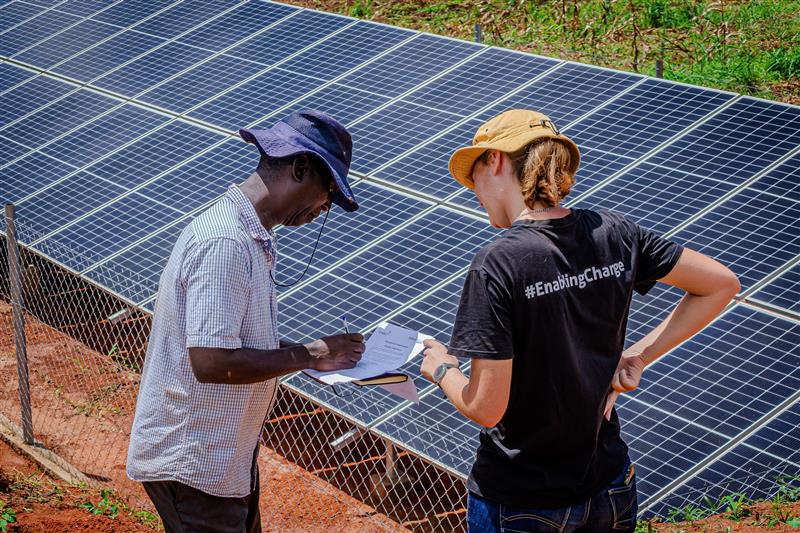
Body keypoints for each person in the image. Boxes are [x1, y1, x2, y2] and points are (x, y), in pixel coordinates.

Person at [420, 109, 740, 532]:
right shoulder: (615, 232)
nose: (472, 191)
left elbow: (486, 408)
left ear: (495, 161)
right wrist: (639, 357)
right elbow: (721, 284)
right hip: (609, 486)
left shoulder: (497, 264)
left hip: (521, 499)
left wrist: (443, 369)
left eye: (473, 176)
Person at [126, 110, 365, 533]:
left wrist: (313, 358)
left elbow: (235, 338)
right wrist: (309, 353)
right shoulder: (226, 242)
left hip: (223, 461)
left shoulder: (250, 236)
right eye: (328, 191)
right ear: (300, 167)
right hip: (194, 464)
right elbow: (213, 361)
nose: (325, 206)